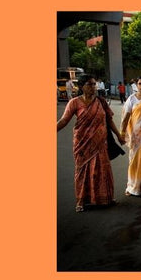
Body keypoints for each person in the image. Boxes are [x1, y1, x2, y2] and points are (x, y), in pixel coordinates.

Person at [57, 75, 125, 212]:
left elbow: (109, 120)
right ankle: (81, 201)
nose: (93, 87)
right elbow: (64, 120)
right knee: (82, 171)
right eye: (90, 84)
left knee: (103, 169)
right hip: (82, 142)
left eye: (94, 84)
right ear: (82, 86)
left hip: (100, 142)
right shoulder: (75, 103)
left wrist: (119, 135)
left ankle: (106, 198)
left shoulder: (101, 101)